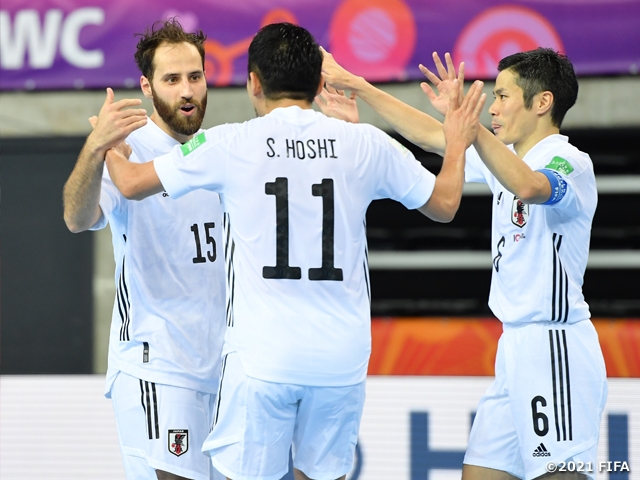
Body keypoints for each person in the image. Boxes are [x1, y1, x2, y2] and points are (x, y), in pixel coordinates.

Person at [102, 22, 486, 480]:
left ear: (254, 84)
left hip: (264, 354)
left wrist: (107, 144)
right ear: (320, 82)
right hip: (340, 356)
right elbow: (445, 204)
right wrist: (458, 140)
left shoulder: (230, 142)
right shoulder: (362, 143)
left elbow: (129, 184)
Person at [321, 48, 607, 480]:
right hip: (514, 349)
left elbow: (529, 186)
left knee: (561, 476)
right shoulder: (504, 160)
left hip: (555, 346)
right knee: (479, 473)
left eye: (503, 97)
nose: (492, 108)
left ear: (542, 102)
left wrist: (469, 127)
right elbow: (434, 136)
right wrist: (360, 86)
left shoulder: (568, 161)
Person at [63, 19, 226, 480]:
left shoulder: (217, 150)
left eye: (194, 77)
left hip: (222, 367)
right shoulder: (128, 148)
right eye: (171, 80)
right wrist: (96, 149)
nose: (186, 91)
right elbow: (77, 218)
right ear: (147, 87)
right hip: (159, 366)